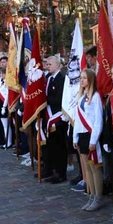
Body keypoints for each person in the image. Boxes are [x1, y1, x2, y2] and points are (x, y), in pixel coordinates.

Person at [73, 68, 105, 211]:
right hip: (82, 135)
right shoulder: (81, 96)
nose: (82, 80)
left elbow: (98, 120)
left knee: (95, 168)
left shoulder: (96, 96)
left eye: (84, 78)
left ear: (91, 80)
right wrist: (75, 137)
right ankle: (91, 195)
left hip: (91, 135)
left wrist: (93, 140)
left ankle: (98, 197)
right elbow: (78, 120)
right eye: (81, 78)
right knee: (87, 168)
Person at [43, 55, 68, 183]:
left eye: (50, 64)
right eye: (46, 64)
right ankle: (51, 170)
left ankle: (60, 173)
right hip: (48, 116)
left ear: (58, 65)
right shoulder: (48, 78)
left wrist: (43, 100)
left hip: (58, 117)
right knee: (50, 146)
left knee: (59, 147)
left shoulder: (61, 79)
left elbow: (59, 99)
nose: (47, 66)